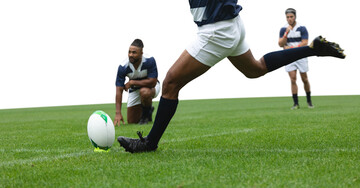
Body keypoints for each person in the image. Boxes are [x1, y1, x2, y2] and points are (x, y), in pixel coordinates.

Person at [117, 0, 345, 153]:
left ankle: (150, 143)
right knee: (255, 69)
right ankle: (312, 49)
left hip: (216, 29)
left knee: (170, 83)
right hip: (233, 25)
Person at [114, 39, 160, 125]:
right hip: (135, 90)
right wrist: (118, 113)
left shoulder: (149, 60)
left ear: (141, 53)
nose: (131, 55)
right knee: (132, 121)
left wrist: (132, 82)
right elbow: (119, 90)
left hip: (151, 87)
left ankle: (146, 114)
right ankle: (147, 109)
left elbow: (153, 82)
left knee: (144, 92)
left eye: (134, 52)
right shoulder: (123, 66)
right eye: (129, 52)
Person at [279, 8, 313, 109]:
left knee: (305, 79)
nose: (289, 19)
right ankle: (296, 103)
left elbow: (305, 43)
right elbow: (280, 44)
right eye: (287, 17)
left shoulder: (302, 28)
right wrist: (286, 33)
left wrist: (291, 48)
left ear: (295, 17)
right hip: (289, 57)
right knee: (293, 79)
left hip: (301, 56)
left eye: (291, 17)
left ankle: (309, 101)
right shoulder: (283, 29)